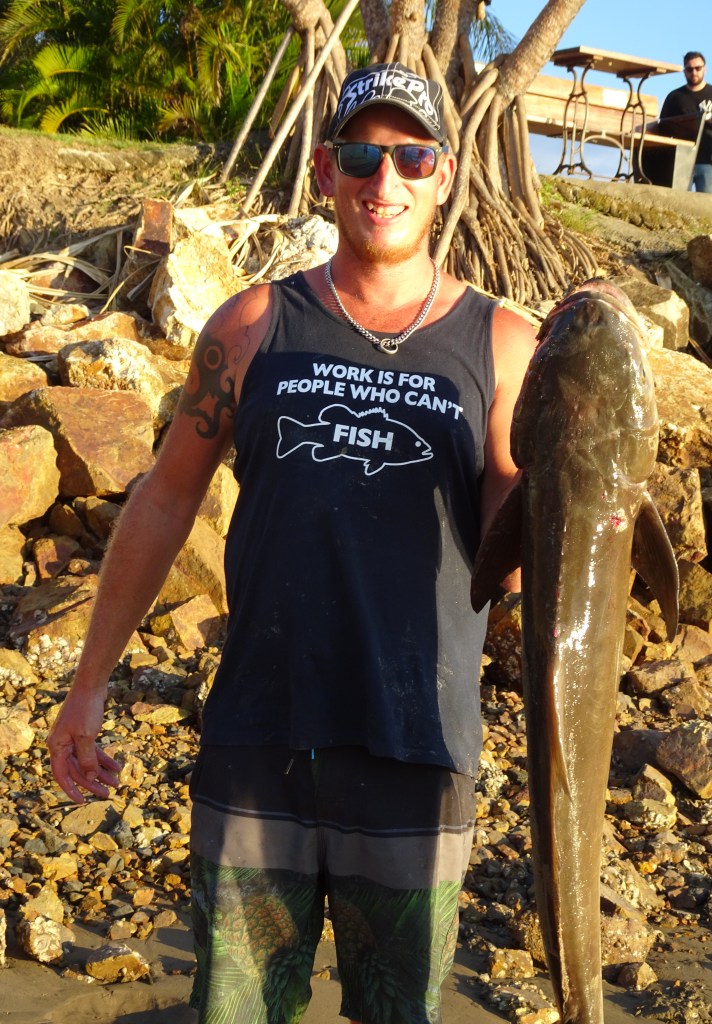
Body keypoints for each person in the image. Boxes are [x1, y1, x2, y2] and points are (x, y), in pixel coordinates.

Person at [47, 61, 537, 1024]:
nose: (384, 180)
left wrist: (579, 473)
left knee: (398, 1012)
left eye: (412, 158)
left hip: (417, 750)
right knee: (236, 1009)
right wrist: (89, 682)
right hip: (259, 737)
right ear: (324, 169)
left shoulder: (507, 345)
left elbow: (513, 559)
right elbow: (163, 503)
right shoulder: (252, 324)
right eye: (361, 156)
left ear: (445, 174)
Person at [659, 51, 712, 193]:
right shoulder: (674, 97)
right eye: (689, 69)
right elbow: (662, 126)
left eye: (698, 68)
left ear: (705, 69)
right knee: (679, 201)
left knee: (706, 203)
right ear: (684, 71)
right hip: (680, 159)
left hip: (708, 160)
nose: (694, 72)